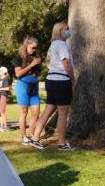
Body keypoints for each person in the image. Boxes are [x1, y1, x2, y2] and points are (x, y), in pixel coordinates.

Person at [30, 21, 75, 150]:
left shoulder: (52, 45)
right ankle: (62, 144)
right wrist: (73, 79)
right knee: (63, 113)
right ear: (60, 31)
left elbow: (50, 63)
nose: (68, 31)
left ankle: (35, 138)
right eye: (66, 29)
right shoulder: (61, 45)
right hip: (61, 81)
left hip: (50, 79)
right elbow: (66, 63)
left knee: (48, 110)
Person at [12, 37, 41, 145]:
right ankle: (24, 137)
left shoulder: (35, 57)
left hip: (34, 87)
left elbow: (37, 73)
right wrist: (32, 65)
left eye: (36, 48)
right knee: (24, 112)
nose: (34, 50)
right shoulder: (18, 58)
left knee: (36, 114)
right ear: (26, 46)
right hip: (22, 86)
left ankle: (31, 136)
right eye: (33, 47)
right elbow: (18, 74)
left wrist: (37, 64)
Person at [0, 66, 11, 130]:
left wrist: (0, 88)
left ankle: (5, 127)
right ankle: (1, 126)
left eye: (0, 71)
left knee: (2, 111)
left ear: (3, 72)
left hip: (3, 96)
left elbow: (8, 88)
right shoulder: (0, 79)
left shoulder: (5, 79)